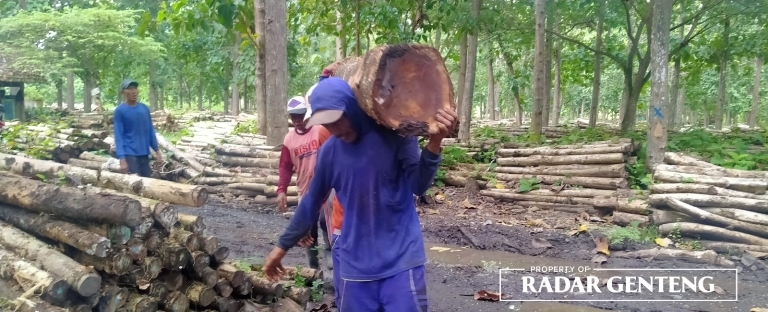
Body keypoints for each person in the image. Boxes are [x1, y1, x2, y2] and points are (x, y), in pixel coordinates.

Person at [262, 77, 457, 311]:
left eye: (336, 120)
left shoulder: (395, 135)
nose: (334, 130)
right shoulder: (330, 153)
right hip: (355, 267)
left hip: (401, 261)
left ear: (351, 108)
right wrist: (281, 247)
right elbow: (311, 201)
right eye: (326, 124)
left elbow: (418, 185)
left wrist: (435, 142)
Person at [276, 94, 334, 271]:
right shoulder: (289, 139)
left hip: (327, 186)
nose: (298, 120)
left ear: (307, 114)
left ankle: (330, 251)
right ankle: (313, 269)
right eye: (294, 117)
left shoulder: (320, 131)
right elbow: (285, 167)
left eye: (300, 116)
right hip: (305, 188)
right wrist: (281, 190)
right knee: (307, 229)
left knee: (326, 221)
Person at [113, 79, 163, 177]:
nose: (133, 91)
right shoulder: (120, 111)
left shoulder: (144, 109)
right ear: (123, 92)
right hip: (129, 154)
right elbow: (118, 136)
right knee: (136, 183)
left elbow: (150, 131)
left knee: (147, 182)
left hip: (144, 154)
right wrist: (122, 158)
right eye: (130, 89)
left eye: (135, 88)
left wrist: (157, 151)